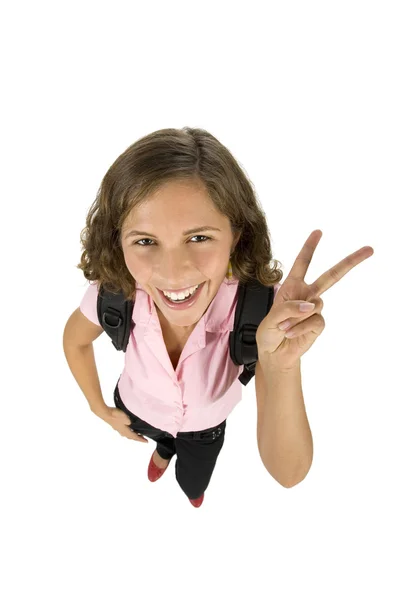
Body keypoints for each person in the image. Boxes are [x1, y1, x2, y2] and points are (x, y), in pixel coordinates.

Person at [63, 127, 283, 507]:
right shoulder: (114, 291)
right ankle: (164, 449)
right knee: (160, 439)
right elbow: (75, 340)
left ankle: (192, 490)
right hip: (137, 408)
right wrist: (98, 407)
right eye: (145, 241)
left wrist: (286, 361)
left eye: (199, 238)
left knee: (194, 480)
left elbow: (288, 467)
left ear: (237, 235)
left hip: (204, 428)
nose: (174, 272)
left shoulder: (262, 308)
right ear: (118, 241)